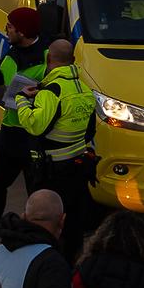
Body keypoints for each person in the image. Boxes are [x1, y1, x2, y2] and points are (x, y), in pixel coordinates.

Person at [8, 35, 100, 252]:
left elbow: (35, 125)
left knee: (48, 223)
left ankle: (50, 259)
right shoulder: (84, 89)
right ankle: (72, 259)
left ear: (49, 58)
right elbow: (90, 131)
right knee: (73, 221)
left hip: (54, 171)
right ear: (73, 59)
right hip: (79, 166)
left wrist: (22, 99)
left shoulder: (52, 91)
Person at [0, 7, 44, 251]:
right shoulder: (10, 56)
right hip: (10, 132)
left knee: (35, 190)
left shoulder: (47, 56)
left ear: (23, 31)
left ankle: (38, 238)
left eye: (10, 26)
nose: (5, 29)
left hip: (33, 134)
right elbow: (1, 94)